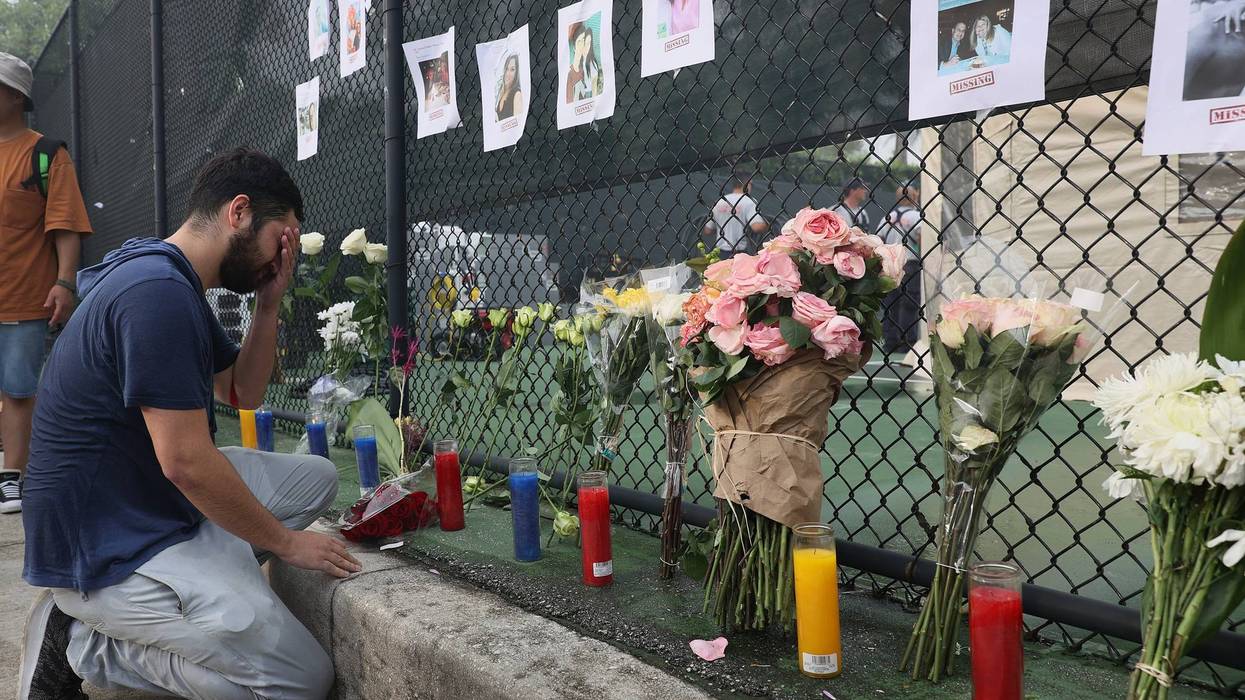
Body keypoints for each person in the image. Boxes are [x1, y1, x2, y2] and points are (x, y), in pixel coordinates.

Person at [18, 148, 361, 700]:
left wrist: (269, 305)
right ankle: (89, 642)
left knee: (316, 478)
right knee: (301, 680)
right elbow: (184, 462)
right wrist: (285, 543)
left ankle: (203, 580)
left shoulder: (170, 276)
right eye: (284, 237)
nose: (283, 256)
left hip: (145, 500)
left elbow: (241, 392)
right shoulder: (156, 294)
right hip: (107, 547)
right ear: (240, 212)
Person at [0, 52, 93, 516]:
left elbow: (65, 225)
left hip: (22, 296)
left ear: (14, 96)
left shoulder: (46, 154)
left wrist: (64, 282)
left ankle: (11, 477)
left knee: (18, 387)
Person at [878, 184, 923, 354]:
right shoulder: (916, 216)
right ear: (914, 197)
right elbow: (920, 239)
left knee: (891, 304)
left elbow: (879, 241)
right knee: (910, 303)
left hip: (890, 265)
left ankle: (890, 341)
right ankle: (907, 341)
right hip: (910, 263)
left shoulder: (887, 218)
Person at [706, 176, 767, 257]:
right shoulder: (748, 201)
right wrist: (767, 225)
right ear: (748, 184)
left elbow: (708, 230)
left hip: (719, 252)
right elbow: (757, 227)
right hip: (739, 253)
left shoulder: (720, 201)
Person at [566, 23, 602, 103]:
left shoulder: (591, 64)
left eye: (583, 41)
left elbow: (594, 88)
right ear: (574, 46)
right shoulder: (571, 72)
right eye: (579, 42)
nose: (583, 45)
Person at [495, 53, 523, 121]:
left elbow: (517, 124)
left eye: (512, 69)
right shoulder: (503, 92)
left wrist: (498, 120)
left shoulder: (517, 94)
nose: (508, 73)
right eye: (507, 69)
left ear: (517, 72)